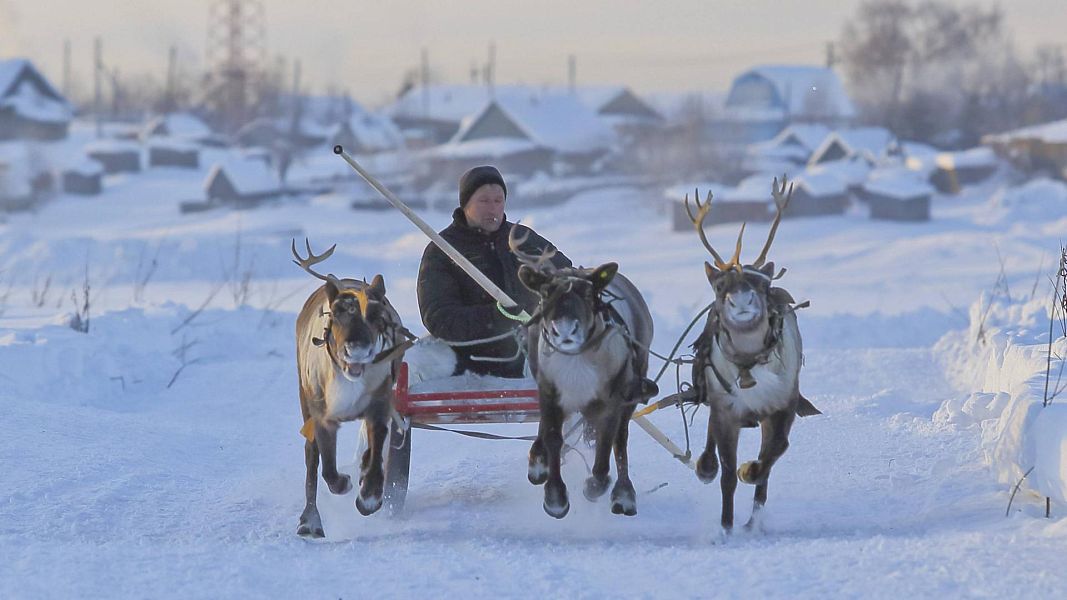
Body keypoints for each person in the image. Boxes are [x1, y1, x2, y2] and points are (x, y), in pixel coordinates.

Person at [417, 165, 571, 378]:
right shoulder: (442, 250)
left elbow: (566, 276)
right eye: (484, 201)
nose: (492, 209)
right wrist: (498, 316)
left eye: (498, 201)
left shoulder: (523, 239)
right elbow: (439, 318)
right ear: (465, 205)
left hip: (534, 356)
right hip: (467, 367)